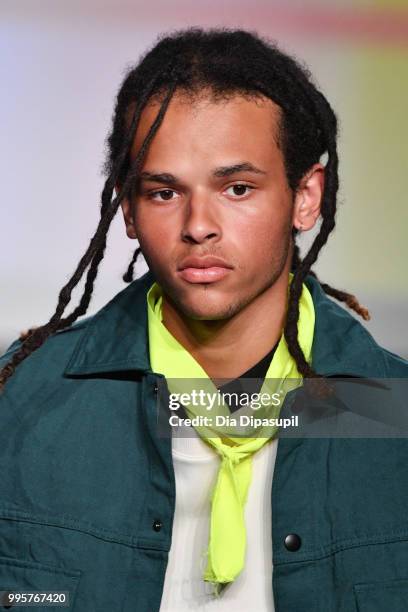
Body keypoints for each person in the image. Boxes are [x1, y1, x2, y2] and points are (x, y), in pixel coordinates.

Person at [0, 27, 407, 612]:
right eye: (164, 193)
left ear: (306, 197)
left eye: (237, 188)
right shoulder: (20, 401)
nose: (198, 225)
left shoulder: (391, 409)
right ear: (129, 211)